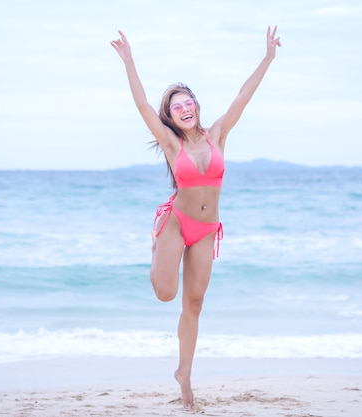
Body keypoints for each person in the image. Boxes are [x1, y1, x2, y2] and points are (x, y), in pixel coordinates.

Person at [110, 26, 281, 409]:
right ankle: (156, 244)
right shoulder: (172, 145)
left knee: (195, 303)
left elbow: (243, 96)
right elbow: (140, 105)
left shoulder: (218, 134)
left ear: (196, 106)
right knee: (165, 293)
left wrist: (268, 58)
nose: (184, 109)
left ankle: (184, 372)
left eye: (188, 103)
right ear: (170, 116)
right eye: (176, 107)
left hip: (205, 230)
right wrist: (129, 62)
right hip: (176, 225)